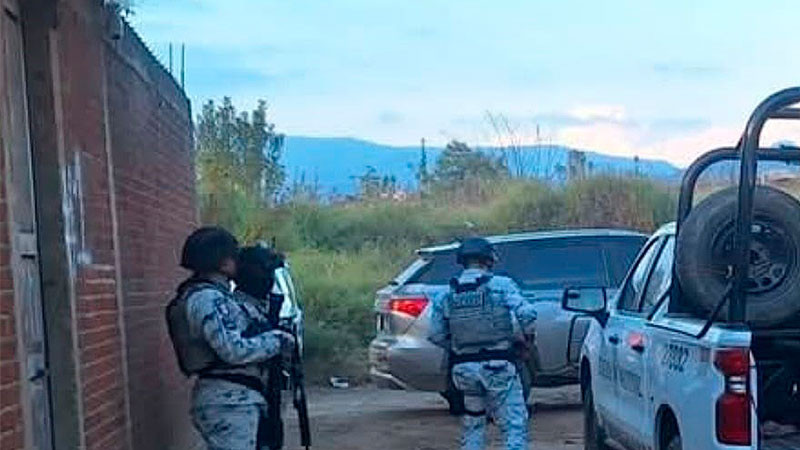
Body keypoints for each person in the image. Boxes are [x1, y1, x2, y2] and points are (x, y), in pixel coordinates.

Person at [166, 227, 294, 450]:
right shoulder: (207, 298)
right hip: (228, 402)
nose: (239, 262)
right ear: (223, 263)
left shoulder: (218, 296)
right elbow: (232, 349)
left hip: (235, 399)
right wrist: (277, 340)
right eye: (235, 257)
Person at [429, 237, 537, 450]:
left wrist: (458, 348)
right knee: (513, 425)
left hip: (463, 370)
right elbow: (527, 315)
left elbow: (435, 334)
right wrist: (527, 341)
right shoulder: (501, 285)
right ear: (489, 259)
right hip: (498, 366)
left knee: (473, 424)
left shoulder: (446, 293)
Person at [234, 245, 288, 450]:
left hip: (262, 396)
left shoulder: (260, 309)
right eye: (266, 272)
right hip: (240, 399)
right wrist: (276, 341)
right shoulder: (236, 309)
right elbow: (236, 352)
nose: (269, 279)